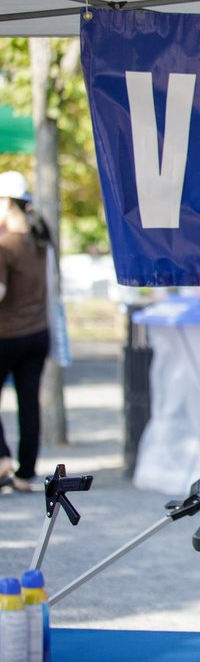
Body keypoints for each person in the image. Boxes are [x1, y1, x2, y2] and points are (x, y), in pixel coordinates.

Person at [0, 171, 53, 493]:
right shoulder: (40, 242)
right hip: (38, 334)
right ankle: (25, 473)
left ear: (6, 203)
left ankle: (3, 459)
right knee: (29, 403)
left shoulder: (4, 245)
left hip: (6, 335)